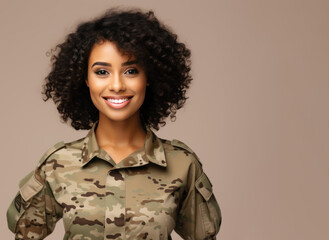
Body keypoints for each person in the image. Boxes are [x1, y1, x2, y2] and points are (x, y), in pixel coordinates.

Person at [6, 8, 221, 240]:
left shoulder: (182, 164)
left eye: (130, 70)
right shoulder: (57, 165)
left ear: (148, 77)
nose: (117, 85)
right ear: (85, 79)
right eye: (102, 72)